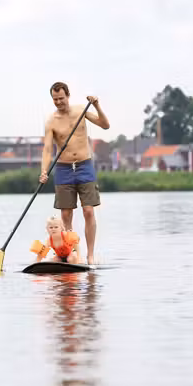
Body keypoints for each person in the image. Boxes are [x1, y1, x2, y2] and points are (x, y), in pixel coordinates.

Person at [39, 81, 110, 265]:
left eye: (61, 98)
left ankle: (90, 256)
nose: (59, 102)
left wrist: (96, 105)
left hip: (84, 166)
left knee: (88, 211)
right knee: (66, 216)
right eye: (55, 99)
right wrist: (44, 171)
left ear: (68, 96)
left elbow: (105, 125)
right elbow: (47, 150)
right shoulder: (51, 121)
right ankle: (70, 254)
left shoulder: (81, 111)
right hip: (63, 168)